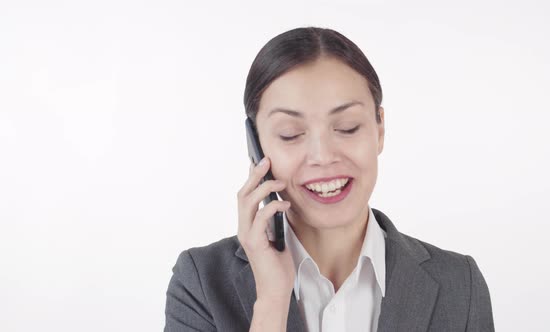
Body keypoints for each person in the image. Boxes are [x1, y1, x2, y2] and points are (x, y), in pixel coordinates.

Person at [164, 27, 494, 332]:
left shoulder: (459, 284)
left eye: (347, 127)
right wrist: (271, 301)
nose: (323, 156)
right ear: (256, 147)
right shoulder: (201, 282)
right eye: (290, 134)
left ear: (379, 128)